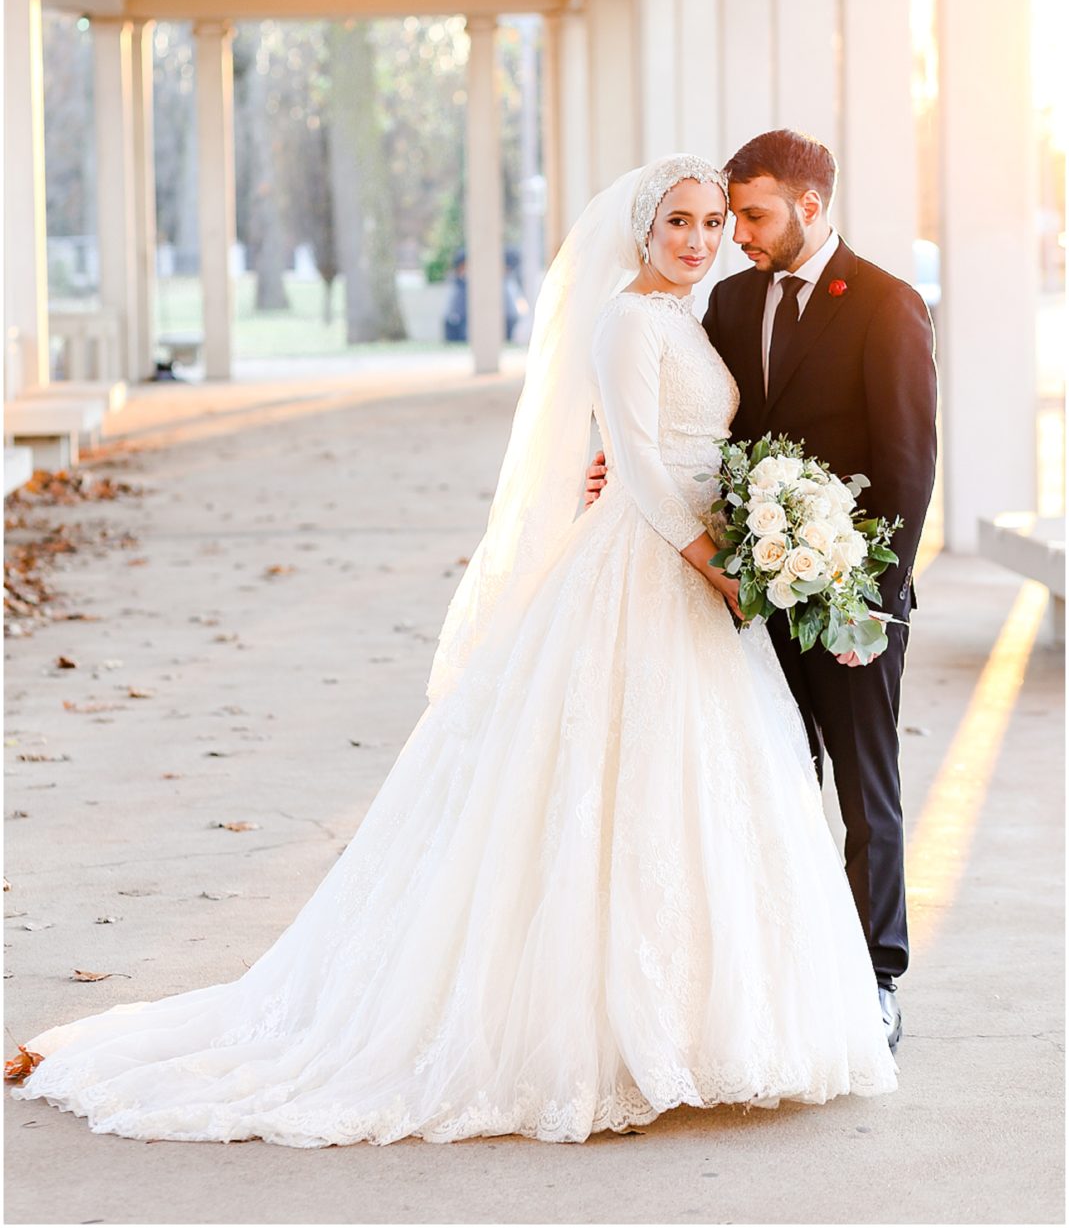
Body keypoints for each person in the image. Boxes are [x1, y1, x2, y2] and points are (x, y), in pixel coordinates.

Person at [13, 155, 896, 1147]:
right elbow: (643, 469)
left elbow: (685, 449)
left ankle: (701, 1021)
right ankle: (591, 1035)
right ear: (642, 231)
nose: (698, 239)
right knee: (600, 789)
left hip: (699, 571)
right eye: (679, 222)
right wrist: (716, 563)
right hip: (651, 567)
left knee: (696, 791)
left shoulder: (689, 316)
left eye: (708, 223)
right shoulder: (624, 319)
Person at [587, 131, 938, 1053]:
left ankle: (875, 976)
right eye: (716, 216)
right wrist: (610, 466)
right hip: (741, 594)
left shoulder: (888, 304)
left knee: (866, 787)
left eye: (749, 214)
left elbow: (906, 465)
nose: (731, 234)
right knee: (772, 781)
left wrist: (878, 596)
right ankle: (790, 971)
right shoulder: (729, 302)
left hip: (847, 591)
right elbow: (675, 416)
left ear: (808, 207)